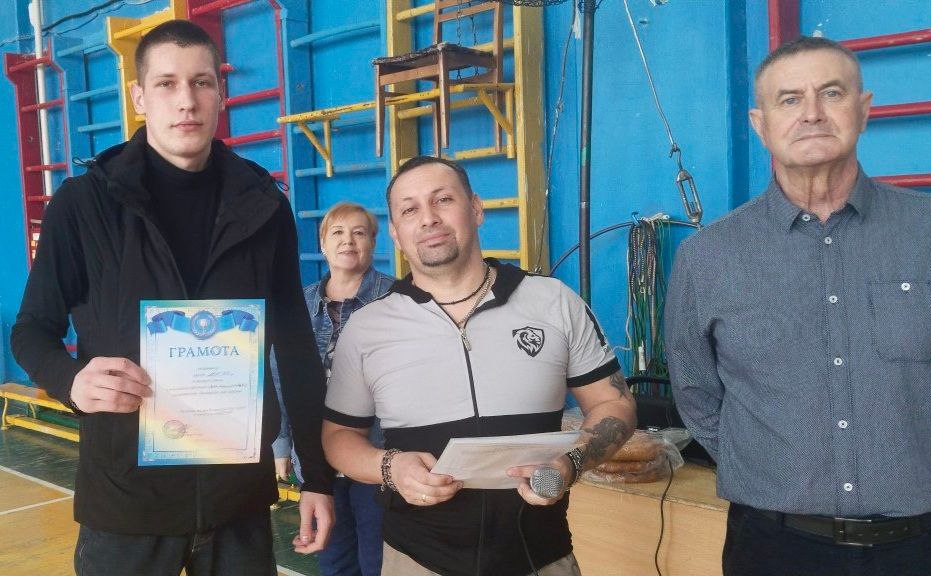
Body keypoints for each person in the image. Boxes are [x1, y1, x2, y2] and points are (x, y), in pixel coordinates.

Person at [11, 19, 335, 575]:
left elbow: (297, 347)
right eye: (166, 84)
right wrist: (71, 381)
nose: (187, 100)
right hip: (126, 501)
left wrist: (318, 478)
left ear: (220, 93)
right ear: (139, 97)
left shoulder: (263, 205)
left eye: (201, 82)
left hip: (237, 499)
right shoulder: (84, 205)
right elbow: (31, 330)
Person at [665, 36, 931, 576]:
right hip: (774, 549)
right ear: (761, 124)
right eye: (790, 99)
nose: (812, 113)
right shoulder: (708, 257)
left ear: (863, 109)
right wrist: (772, 473)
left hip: (928, 547)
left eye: (832, 93)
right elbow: (696, 394)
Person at [321, 156, 637, 576]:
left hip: (542, 558)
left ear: (476, 208)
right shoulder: (367, 328)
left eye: (443, 200)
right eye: (410, 210)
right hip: (416, 560)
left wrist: (570, 462)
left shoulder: (553, 302)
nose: (428, 218)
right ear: (395, 234)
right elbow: (339, 436)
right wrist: (389, 468)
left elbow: (615, 404)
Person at [272, 201, 393, 575]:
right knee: (334, 559)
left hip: (379, 452)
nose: (348, 241)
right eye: (337, 232)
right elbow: (280, 377)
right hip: (316, 456)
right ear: (323, 243)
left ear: (373, 243)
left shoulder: (398, 299)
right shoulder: (299, 303)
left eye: (359, 233)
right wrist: (281, 444)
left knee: (378, 559)